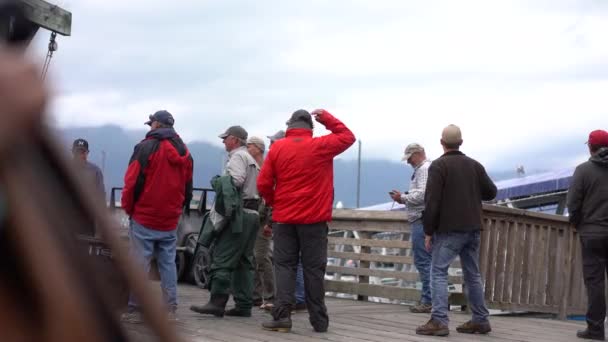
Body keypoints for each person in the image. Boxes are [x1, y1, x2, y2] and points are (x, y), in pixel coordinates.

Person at [258, 109, 355, 333]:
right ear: (310, 127)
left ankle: (282, 317)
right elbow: (348, 137)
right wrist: (326, 117)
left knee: (284, 266)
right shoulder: (321, 146)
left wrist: (275, 202)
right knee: (313, 269)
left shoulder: (278, 148)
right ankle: (319, 321)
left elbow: (263, 183)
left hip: (284, 219)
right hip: (314, 220)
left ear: (290, 126)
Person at [416, 124, 496, 337]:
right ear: (461, 142)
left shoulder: (439, 166)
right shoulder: (475, 165)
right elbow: (491, 192)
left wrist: (428, 230)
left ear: (442, 143)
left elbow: (431, 201)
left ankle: (439, 321)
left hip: (450, 229)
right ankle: (480, 320)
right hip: (473, 227)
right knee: (473, 274)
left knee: (438, 271)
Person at [120, 110, 194, 323]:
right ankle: (170, 307)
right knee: (168, 263)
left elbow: (132, 180)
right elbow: (188, 187)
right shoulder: (185, 152)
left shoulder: (145, 147)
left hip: (144, 215)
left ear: (157, 125)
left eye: (151, 123)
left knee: (140, 262)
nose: (149, 127)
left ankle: (135, 307)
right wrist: (178, 209)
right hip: (170, 218)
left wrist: (128, 207)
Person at [190, 125, 260, 318]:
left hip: (239, 215)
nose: (223, 141)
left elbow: (235, 181)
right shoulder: (252, 159)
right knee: (244, 262)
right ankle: (244, 305)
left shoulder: (238, 156)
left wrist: (218, 182)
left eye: (226, 138)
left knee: (223, 256)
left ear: (235, 140)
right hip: (253, 214)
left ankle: (217, 302)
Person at [567, 129, 608, 341]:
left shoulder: (583, 170)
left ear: (591, 148)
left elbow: (573, 204)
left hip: (592, 233)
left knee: (595, 283)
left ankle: (595, 329)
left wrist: (576, 222)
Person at [389, 142, 432, 313]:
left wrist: (403, 198)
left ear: (418, 153)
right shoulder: (425, 169)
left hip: (420, 219)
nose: (408, 162)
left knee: (423, 261)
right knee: (428, 261)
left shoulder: (424, 169)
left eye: (410, 158)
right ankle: (434, 300)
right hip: (424, 219)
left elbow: (423, 194)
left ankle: (428, 300)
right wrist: (405, 196)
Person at [246, 136, 275, 309]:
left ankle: (271, 296)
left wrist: (270, 221)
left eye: (249, 146)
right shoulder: (253, 167)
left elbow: (271, 196)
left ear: (258, 148)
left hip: (263, 219)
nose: (247, 148)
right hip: (254, 216)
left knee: (262, 257)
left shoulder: (266, 167)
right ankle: (256, 296)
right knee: (254, 258)